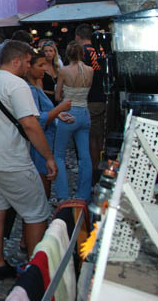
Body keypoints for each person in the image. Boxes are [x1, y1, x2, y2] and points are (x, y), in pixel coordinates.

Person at [0, 41, 57, 280]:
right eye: (29, 62)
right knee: (36, 213)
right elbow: (30, 124)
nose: (30, 66)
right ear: (17, 61)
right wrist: (48, 157)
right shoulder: (17, 85)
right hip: (12, 160)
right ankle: (35, 271)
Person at [26, 52, 71, 197]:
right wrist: (60, 108)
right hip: (39, 144)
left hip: (46, 140)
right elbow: (37, 119)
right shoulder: (30, 89)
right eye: (40, 65)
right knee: (42, 187)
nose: (44, 68)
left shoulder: (36, 86)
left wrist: (57, 114)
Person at [53, 41, 94, 201]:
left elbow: (57, 96)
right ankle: (83, 194)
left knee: (59, 154)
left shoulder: (64, 71)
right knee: (85, 155)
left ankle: (63, 195)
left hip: (68, 112)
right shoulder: (90, 71)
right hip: (84, 112)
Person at [75, 23, 105, 182]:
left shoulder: (81, 53)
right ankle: (98, 167)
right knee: (99, 137)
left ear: (78, 37)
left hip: (88, 99)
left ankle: (93, 172)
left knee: (90, 139)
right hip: (100, 97)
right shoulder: (100, 50)